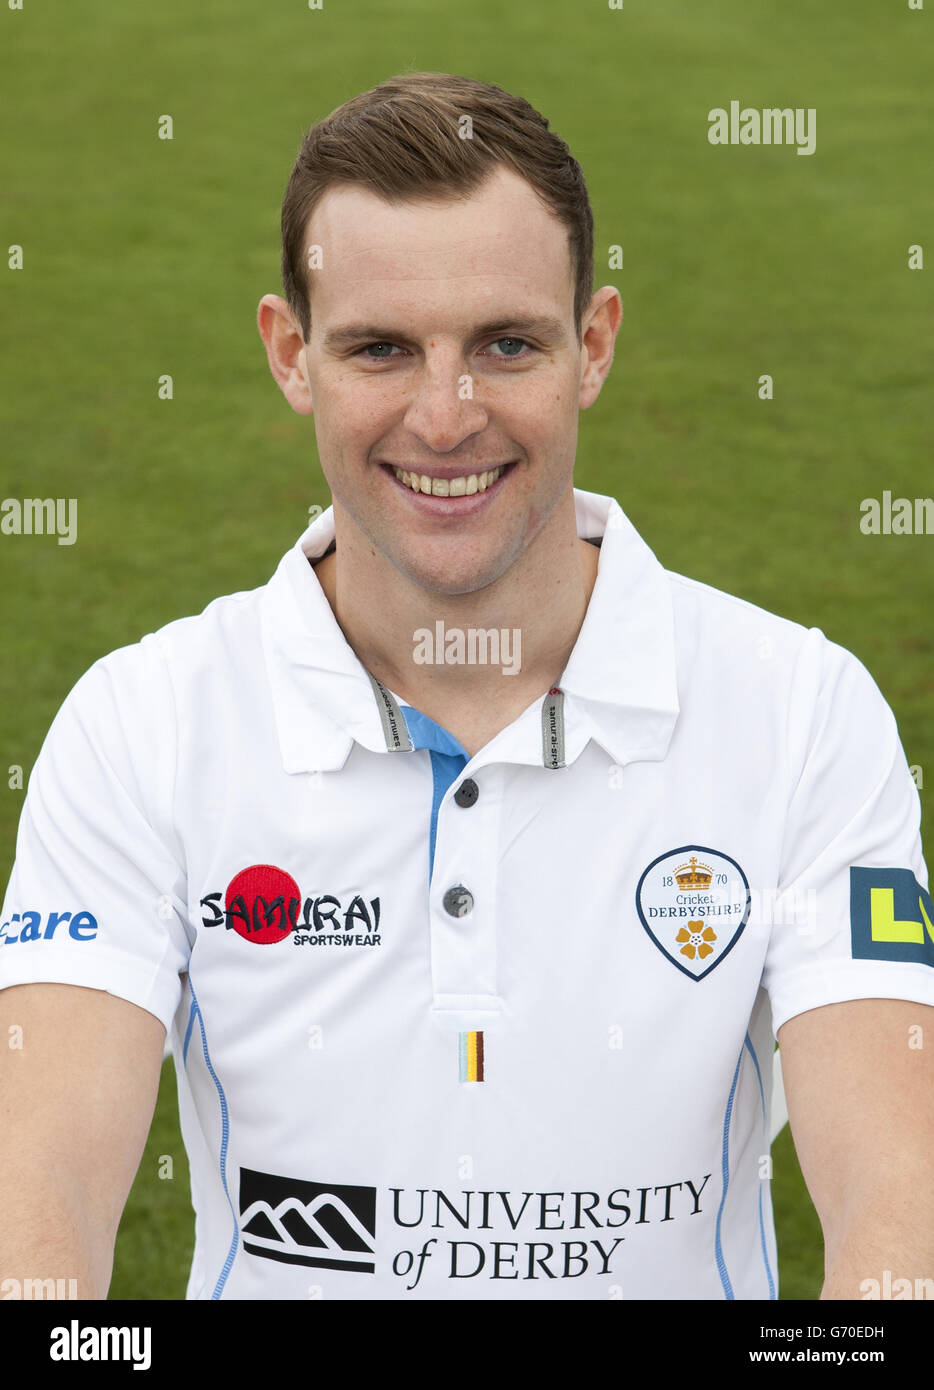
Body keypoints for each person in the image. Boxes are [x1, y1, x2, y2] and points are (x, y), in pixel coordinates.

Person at [1, 71, 932, 1302]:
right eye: (381, 349)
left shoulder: (802, 711)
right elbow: (39, 1209)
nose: (446, 418)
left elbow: (897, 1209)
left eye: (505, 344)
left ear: (591, 346)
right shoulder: (141, 727)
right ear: (291, 356)